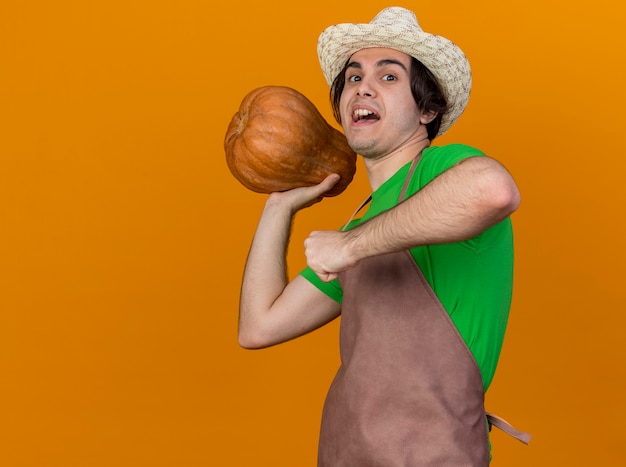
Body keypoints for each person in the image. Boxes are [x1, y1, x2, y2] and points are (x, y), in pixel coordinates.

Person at [237, 6, 530, 465]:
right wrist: (280, 202)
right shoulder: (361, 225)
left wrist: (351, 246)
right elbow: (259, 326)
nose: (363, 87)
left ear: (428, 109)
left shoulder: (441, 170)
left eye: (389, 77)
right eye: (352, 78)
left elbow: (492, 189)